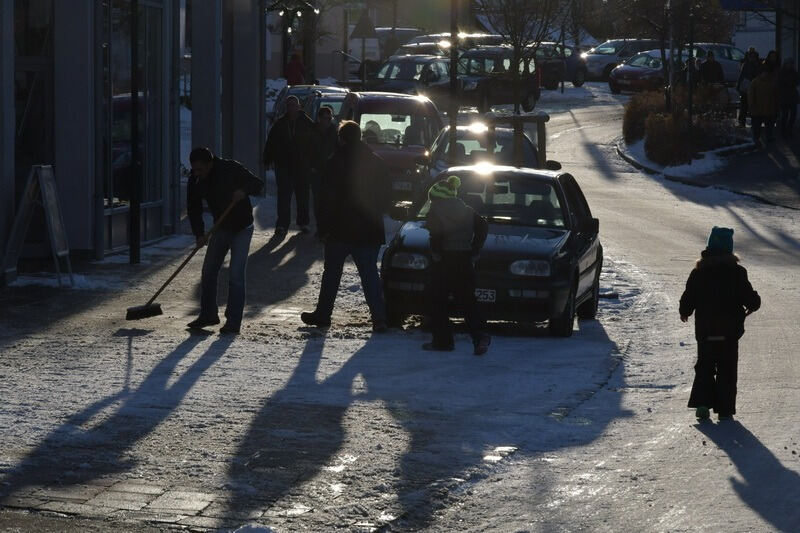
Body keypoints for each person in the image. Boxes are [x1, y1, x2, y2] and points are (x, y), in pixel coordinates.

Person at [300, 120, 391, 332]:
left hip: (339, 230)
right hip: (368, 230)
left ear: (341, 138)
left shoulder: (334, 162)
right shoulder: (376, 162)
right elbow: (386, 196)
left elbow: (324, 199)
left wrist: (323, 228)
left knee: (331, 275)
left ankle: (323, 315)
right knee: (369, 275)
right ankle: (379, 318)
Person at [679, 227, 760, 421]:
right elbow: (750, 299)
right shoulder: (738, 273)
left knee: (705, 365)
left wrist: (685, 311)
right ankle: (725, 408)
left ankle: (702, 404)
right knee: (727, 367)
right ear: (730, 249)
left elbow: (688, 297)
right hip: (729, 331)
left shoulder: (699, 272)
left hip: (705, 329)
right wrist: (754, 303)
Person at [187, 147, 264, 334]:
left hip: (242, 228)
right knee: (208, 271)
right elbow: (193, 207)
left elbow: (257, 184)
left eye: (200, 169)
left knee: (236, 275)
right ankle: (208, 314)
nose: (197, 173)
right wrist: (199, 234)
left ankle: (233, 322)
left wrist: (243, 191)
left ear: (210, 163)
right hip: (221, 228)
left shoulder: (231, 168)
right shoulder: (195, 179)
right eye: (194, 169)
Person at [423, 175, 491, 356]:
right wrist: (475, 248)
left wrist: (436, 251)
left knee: (438, 301)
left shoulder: (435, 211)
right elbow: (483, 226)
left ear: (437, 197)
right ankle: (480, 336)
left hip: (444, 260)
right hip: (464, 259)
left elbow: (435, 233)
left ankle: (443, 341)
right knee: (468, 300)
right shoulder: (468, 210)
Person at [263, 95, 315, 236]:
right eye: (289, 105)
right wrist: (267, 160)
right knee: (284, 197)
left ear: (299, 107)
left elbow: (314, 144)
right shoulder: (280, 124)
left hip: (302, 166)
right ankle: (282, 225)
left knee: (303, 196)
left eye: (294, 105)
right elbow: (271, 143)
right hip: (284, 166)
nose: (291, 108)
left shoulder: (307, 123)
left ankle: (303, 223)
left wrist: (312, 162)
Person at [307, 105, 339, 233]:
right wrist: (311, 167)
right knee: (318, 200)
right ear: (319, 118)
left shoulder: (335, 132)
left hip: (330, 172)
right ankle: (320, 227)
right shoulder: (312, 131)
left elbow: (338, 149)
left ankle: (327, 228)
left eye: (329, 118)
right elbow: (306, 150)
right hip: (316, 171)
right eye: (325, 118)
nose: (327, 120)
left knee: (329, 200)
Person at [748, 65, 778, 146]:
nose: (765, 74)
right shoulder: (755, 82)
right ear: (760, 73)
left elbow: (774, 95)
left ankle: (769, 137)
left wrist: (774, 106)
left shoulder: (771, 82)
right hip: (757, 108)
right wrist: (752, 106)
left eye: (766, 73)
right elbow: (751, 96)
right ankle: (756, 138)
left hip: (768, 108)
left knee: (769, 125)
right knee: (757, 125)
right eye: (763, 73)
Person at [737, 48, 760, 127]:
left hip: (748, 87)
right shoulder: (752, 63)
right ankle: (747, 121)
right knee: (746, 105)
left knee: (745, 105)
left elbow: (741, 76)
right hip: (749, 87)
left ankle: (743, 121)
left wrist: (738, 86)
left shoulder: (746, 63)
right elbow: (742, 75)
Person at [777, 57, 799, 138]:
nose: (791, 65)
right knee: (785, 115)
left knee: (793, 114)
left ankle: (789, 129)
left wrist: (791, 82)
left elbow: (797, 81)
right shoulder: (781, 72)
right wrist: (788, 82)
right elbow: (780, 83)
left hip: (792, 96)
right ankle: (783, 131)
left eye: (792, 63)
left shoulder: (794, 72)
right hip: (784, 96)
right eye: (790, 63)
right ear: (786, 64)